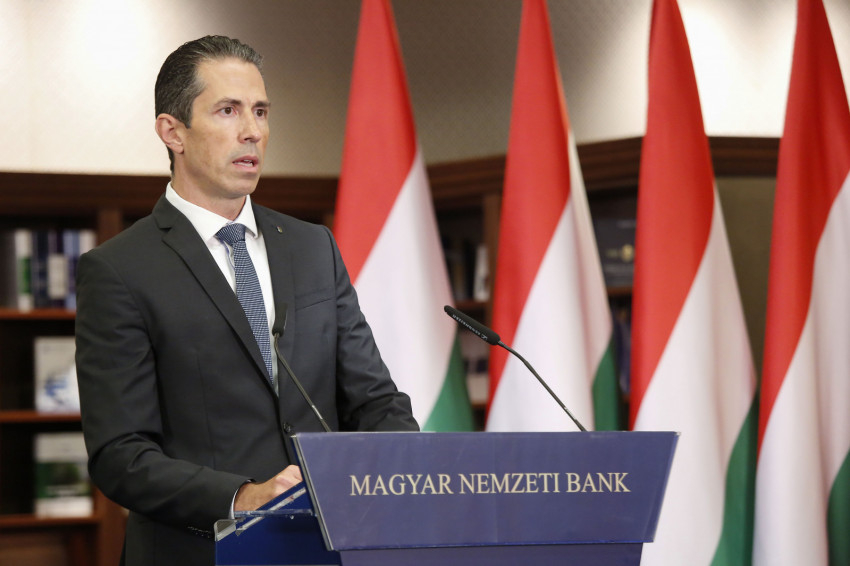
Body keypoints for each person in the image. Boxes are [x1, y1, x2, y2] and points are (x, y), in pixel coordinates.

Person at [75, 35, 418, 566]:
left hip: (328, 547)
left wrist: (406, 462)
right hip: (199, 552)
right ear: (172, 132)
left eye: (260, 111)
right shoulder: (120, 270)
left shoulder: (312, 247)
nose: (253, 131)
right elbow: (121, 455)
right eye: (228, 110)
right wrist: (242, 497)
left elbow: (374, 399)